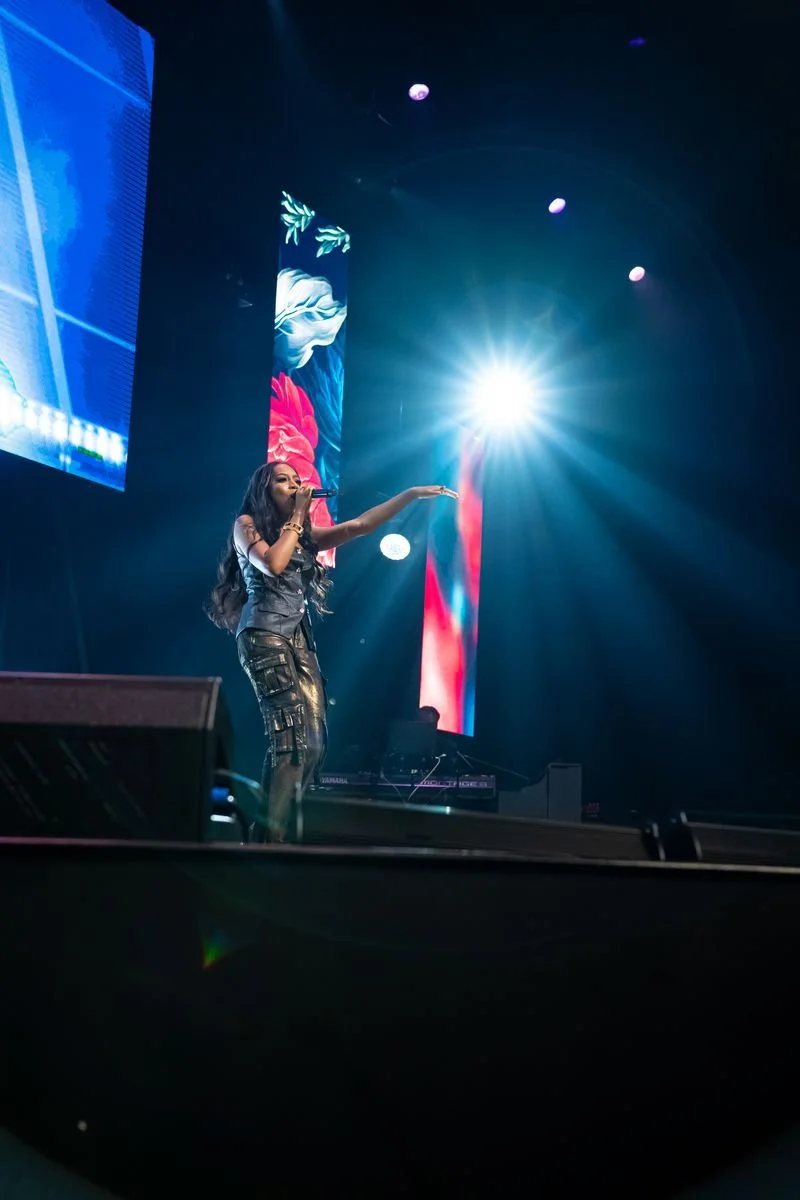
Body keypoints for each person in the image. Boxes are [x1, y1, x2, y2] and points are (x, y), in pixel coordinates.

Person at [208, 461, 457, 842]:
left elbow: (360, 526)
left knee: (313, 743)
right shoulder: (246, 526)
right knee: (290, 741)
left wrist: (410, 495)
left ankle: (271, 834)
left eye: (296, 479)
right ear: (264, 489)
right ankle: (269, 844)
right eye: (283, 480)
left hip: (298, 638)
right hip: (264, 634)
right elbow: (274, 564)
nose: (293, 484)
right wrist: (297, 516)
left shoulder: (304, 534)